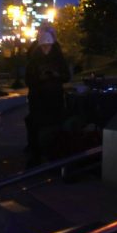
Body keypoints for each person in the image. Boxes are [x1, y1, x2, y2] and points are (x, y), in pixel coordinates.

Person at [24, 26, 70, 163]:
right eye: (43, 47)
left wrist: (56, 75)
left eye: (48, 46)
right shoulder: (33, 59)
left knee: (54, 126)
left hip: (54, 99)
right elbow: (28, 80)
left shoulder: (58, 58)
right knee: (37, 126)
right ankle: (36, 154)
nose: (46, 49)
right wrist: (40, 78)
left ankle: (53, 152)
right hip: (38, 100)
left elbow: (66, 76)